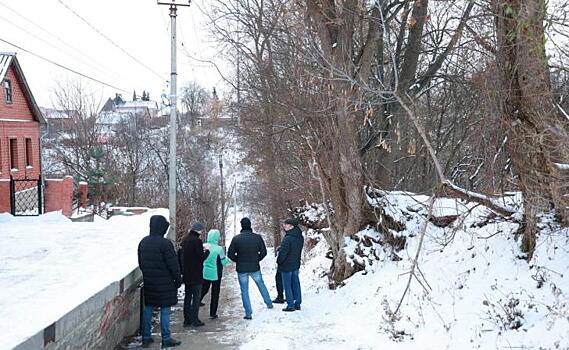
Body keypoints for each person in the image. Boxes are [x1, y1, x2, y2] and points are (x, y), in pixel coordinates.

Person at [137, 215, 182, 348]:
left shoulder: (143, 242)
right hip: (165, 284)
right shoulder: (165, 244)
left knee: (148, 309)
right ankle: (166, 338)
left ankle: (146, 337)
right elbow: (173, 265)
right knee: (165, 310)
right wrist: (178, 280)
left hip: (149, 282)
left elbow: (141, 263)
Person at [228, 217, 273, 319]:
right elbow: (264, 252)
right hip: (254, 266)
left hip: (241, 268)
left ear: (241, 226)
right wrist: (257, 259)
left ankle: (248, 313)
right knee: (261, 285)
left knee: (244, 291)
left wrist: (238, 260)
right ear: (250, 225)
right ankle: (269, 303)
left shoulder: (236, 239)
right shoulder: (257, 237)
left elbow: (230, 254)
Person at [179, 222, 209, 327]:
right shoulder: (197, 242)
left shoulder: (185, 241)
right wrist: (207, 252)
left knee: (187, 297)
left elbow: (181, 257)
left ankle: (187, 319)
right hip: (196, 274)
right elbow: (201, 258)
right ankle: (195, 319)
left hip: (187, 274)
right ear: (199, 231)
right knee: (196, 297)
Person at [200, 229, 231, 319]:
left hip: (204, 272)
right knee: (215, 293)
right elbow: (223, 262)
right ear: (217, 237)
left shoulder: (204, 246)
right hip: (216, 274)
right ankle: (213, 313)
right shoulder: (219, 249)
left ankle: (196, 302)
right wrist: (228, 259)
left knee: (203, 289)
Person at [277, 217, 304, 312]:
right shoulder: (300, 237)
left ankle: (290, 305)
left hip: (286, 265)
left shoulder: (288, 238)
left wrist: (279, 262)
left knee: (287, 285)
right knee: (296, 283)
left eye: (286, 224)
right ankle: (298, 304)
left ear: (292, 226)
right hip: (296, 264)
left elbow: (283, 253)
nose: (284, 226)